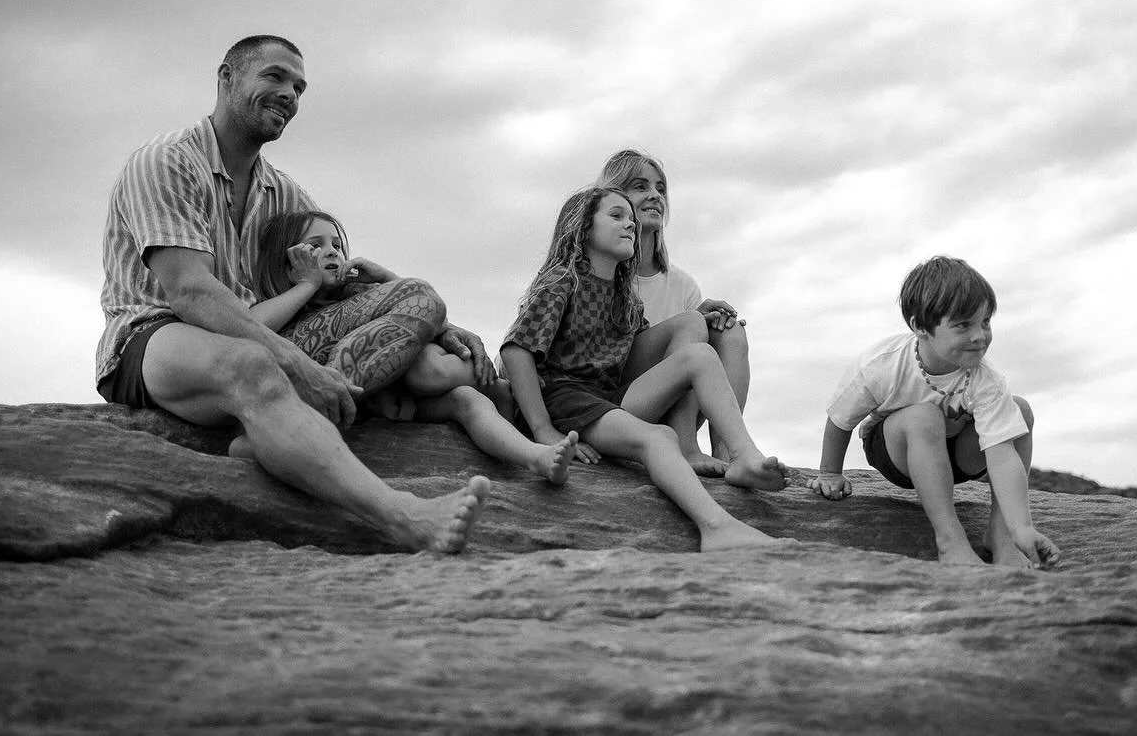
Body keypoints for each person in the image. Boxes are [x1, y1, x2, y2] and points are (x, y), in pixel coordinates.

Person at [95, 34, 488, 553]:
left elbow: (336, 274)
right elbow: (191, 293)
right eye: (274, 76)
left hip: (259, 331)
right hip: (156, 335)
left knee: (418, 294)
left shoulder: (282, 193)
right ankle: (403, 515)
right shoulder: (165, 161)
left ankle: (274, 431)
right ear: (227, 78)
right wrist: (300, 366)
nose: (289, 94)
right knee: (250, 364)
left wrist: (440, 324)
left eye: (299, 88)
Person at [500, 185, 788, 552]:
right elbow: (516, 350)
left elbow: (648, 353)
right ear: (583, 227)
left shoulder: (625, 298)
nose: (631, 225)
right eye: (616, 216)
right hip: (566, 400)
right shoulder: (562, 281)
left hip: (609, 398)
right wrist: (543, 429)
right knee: (658, 438)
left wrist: (697, 321)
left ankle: (743, 455)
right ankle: (716, 527)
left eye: (632, 221)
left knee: (699, 354)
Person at [250, 209, 579, 484]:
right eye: (315, 246)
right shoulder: (288, 308)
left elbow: (417, 314)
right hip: (360, 402)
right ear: (286, 262)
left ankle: (534, 457)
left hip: (404, 398)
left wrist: (385, 278)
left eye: (337, 245)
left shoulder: (358, 293)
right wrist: (306, 285)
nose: (332, 251)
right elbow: (249, 326)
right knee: (437, 372)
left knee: (467, 399)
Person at [810, 256, 1061, 569]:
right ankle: (950, 542)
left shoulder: (985, 379)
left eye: (985, 322)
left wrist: (1021, 527)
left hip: (956, 458)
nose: (979, 336)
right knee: (923, 416)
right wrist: (830, 472)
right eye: (963, 325)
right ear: (920, 327)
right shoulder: (884, 363)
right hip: (898, 453)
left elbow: (1001, 456)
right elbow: (840, 419)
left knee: (1018, 411)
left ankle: (1003, 538)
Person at [597, 149, 748, 472]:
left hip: (672, 405)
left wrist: (706, 322)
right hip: (620, 403)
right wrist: (690, 322)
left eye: (661, 188)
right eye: (640, 186)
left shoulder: (682, 284)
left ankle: (728, 455)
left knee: (730, 331)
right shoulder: (602, 270)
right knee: (692, 323)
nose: (655, 195)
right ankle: (686, 447)